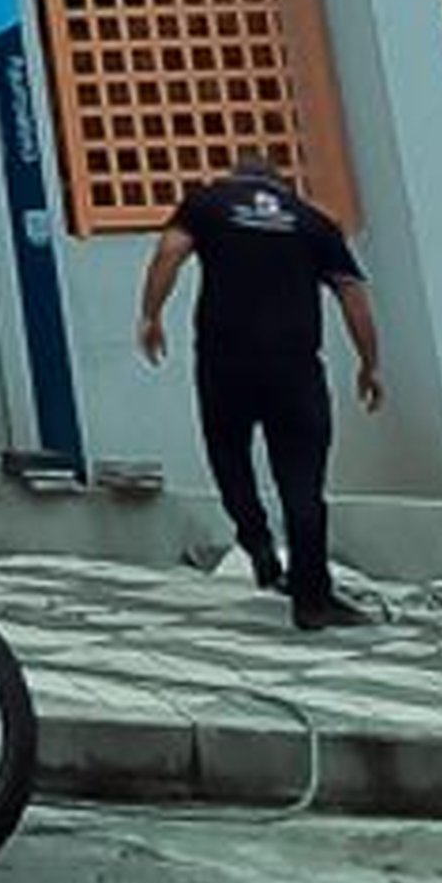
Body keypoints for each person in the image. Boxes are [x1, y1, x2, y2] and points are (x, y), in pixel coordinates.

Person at [136, 161, 381, 629]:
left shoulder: (207, 204)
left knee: (228, 455)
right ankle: (312, 601)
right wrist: (371, 364)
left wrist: (151, 314)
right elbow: (353, 295)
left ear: (234, 177)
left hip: (225, 364)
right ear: (282, 185)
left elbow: (169, 252)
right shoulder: (313, 221)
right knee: (303, 484)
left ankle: (258, 542)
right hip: (295, 370)